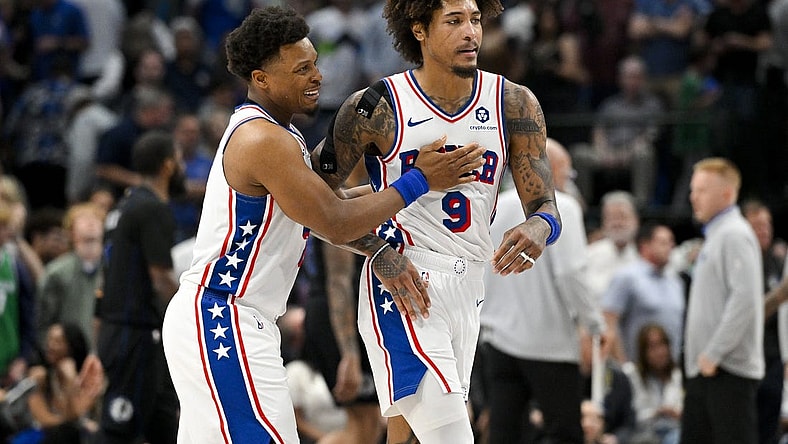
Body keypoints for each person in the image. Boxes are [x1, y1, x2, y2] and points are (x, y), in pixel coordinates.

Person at [160, 6, 485, 443]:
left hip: (229, 316)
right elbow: (333, 221)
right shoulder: (263, 140)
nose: (318, 76)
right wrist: (419, 180)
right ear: (262, 79)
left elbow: (329, 204)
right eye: (302, 69)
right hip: (223, 315)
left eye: (315, 63)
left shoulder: (282, 135)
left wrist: (412, 190)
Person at [310, 1, 561, 442]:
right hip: (404, 284)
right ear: (420, 30)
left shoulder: (513, 103)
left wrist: (539, 228)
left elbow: (545, 205)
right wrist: (380, 253)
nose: (471, 33)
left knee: (406, 435)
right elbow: (313, 200)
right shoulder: (377, 107)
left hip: (470, 287)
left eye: (476, 20)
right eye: (454, 21)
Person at [480, 137, 604, 444]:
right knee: (564, 433)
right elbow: (571, 274)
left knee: (503, 432)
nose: (569, 181)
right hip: (550, 344)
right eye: (568, 173)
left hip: (498, 340)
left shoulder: (494, 207)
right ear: (552, 168)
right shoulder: (566, 207)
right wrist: (594, 325)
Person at [95, 130, 185, 444]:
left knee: (165, 424)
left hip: (119, 330)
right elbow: (160, 279)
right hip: (135, 335)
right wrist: (194, 317)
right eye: (180, 158)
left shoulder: (122, 207)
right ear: (168, 166)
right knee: (119, 432)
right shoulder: (152, 209)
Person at [681, 157, 764, 443]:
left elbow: (745, 300)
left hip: (725, 369)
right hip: (709, 370)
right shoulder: (718, 235)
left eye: (701, 190)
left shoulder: (735, 235)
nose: (693, 197)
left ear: (727, 194)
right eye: (693, 190)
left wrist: (713, 355)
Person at [602, 223, 685, 364]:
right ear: (645, 245)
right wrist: (623, 366)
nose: (670, 247)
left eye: (671, 242)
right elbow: (609, 321)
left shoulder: (675, 282)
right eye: (663, 242)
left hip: (670, 371)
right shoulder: (627, 277)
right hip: (635, 367)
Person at [13, 322, 104, 444]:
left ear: (72, 346)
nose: (50, 345)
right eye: (49, 339)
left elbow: (75, 413)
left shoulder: (88, 377)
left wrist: (70, 382)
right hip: (45, 434)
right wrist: (78, 424)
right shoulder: (41, 376)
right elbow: (43, 418)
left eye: (58, 342)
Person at [742, 200, 787, 444]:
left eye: (767, 224)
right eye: (757, 225)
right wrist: (778, 296)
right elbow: (744, 318)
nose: (764, 230)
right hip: (745, 362)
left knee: (770, 431)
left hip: (774, 361)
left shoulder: (777, 263)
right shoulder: (737, 265)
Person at [35, 202, 106, 349]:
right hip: (68, 356)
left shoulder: (113, 270)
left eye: (96, 218)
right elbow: (42, 322)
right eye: (83, 219)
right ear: (71, 231)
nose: (90, 223)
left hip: (105, 355)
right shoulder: (56, 273)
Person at [622, 323, 683, 444]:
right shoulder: (631, 375)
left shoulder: (679, 375)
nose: (659, 352)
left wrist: (677, 413)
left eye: (662, 344)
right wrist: (655, 413)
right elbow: (628, 417)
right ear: (643, 351)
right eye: (652, 347)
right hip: (641, 432)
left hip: (675, 431)